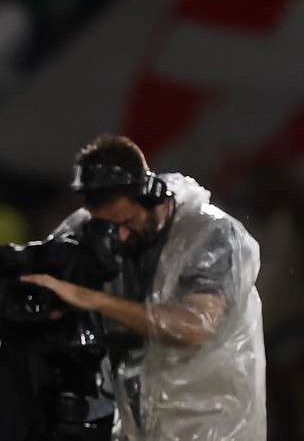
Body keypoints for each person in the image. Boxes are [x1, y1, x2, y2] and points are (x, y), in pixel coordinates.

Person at [21, 135, 266, 440]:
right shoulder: (97, 234)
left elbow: (196, 327)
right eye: (110, 227)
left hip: (209, 424)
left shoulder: (209, 235)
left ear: (150, 196)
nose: (120, 237)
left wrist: (93, 300)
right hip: (137, 420)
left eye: (127, 221)